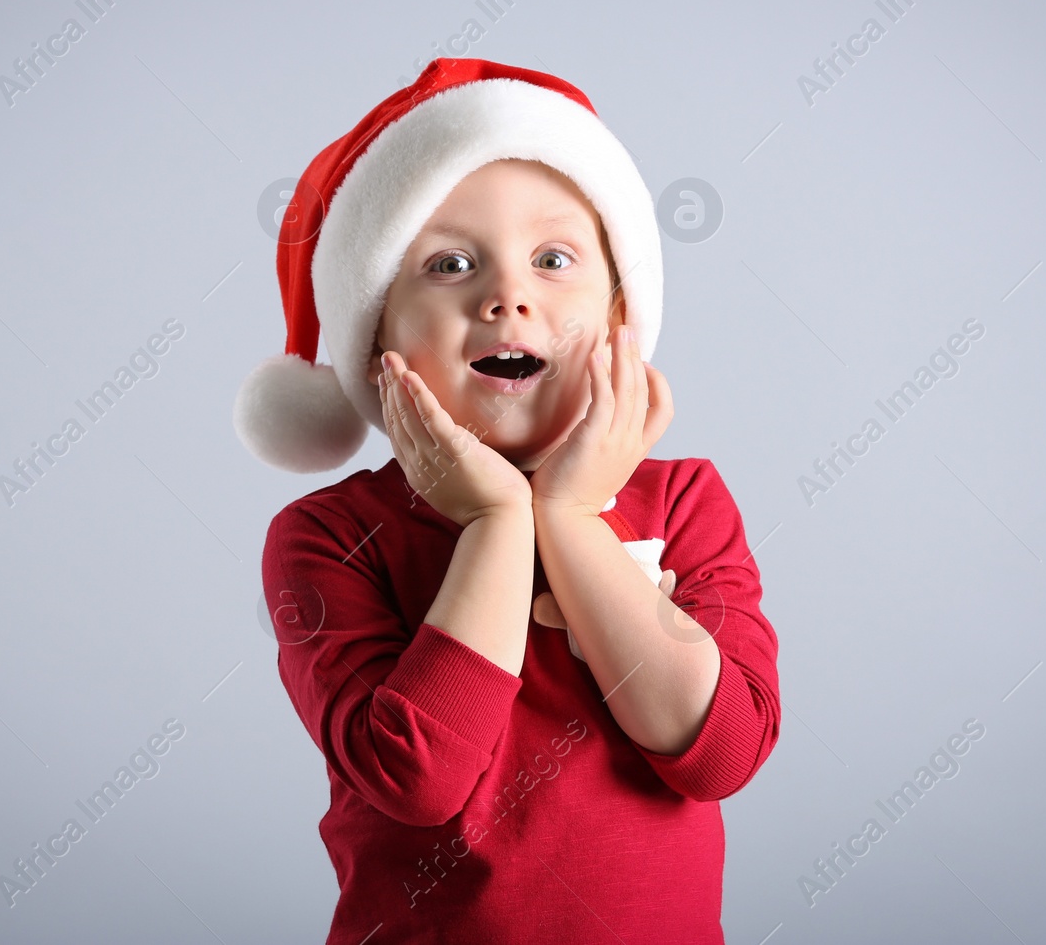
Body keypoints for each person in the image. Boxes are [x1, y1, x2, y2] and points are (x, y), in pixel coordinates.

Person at [234, 58, 781, 943]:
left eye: (554, 259)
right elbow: (418, 778)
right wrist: (497, 522)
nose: (507, 296)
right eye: (450, 264)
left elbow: (717, 752)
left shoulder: (685, 501)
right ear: (378, 345)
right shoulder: (327, 537)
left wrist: (569, 517)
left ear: (617, 319)